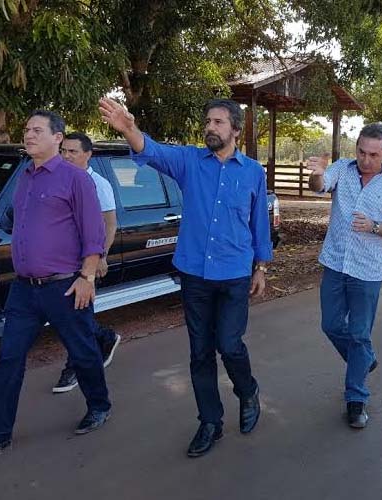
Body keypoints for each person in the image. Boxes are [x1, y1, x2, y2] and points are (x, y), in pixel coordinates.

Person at [98, 97, 272, 458]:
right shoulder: (190, 161)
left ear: (235, 130)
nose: (210, 127)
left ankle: (248, 390)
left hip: (235, 272)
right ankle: (210, 421)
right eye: (208, 121)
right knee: (199, 353)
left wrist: (262, 267)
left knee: (230, 344)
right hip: (195, 273)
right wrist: (129, 127)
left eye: (219, 122)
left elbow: (259, 224)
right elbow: (154, 151)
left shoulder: (253, 171)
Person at [0, 110, 111, 462]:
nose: (29, 135)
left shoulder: (76, 179)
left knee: (83, 352)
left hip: (65, 287)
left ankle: (99, 404)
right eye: (26, 130)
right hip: (25, 289)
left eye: (37, 130)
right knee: (8, 359)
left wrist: (86, 278)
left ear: (58, 138)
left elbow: (94, 235)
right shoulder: (25, 178)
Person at [306, 123, 382, 429]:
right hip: (335, 264)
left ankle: (356, 399)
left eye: (373, 154)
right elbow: (320, 185)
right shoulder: (342, 169)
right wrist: (316, 172)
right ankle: (363, 358)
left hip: (367, 270)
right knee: (331, 324)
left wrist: (376, 227)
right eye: (362, 152)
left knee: (360, 333)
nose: (366, 159)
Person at [52, 132, 122, 393]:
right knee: (70, 315)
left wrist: (101, 257)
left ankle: (75, 368)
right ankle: (104, 337)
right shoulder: (57, 180)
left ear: (88, 154)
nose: (67, 156)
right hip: (60, 260)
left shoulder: (98, 184)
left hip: (85, 262)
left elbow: (110, 224)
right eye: (64, 151)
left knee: (77, 316)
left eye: (73, 151)